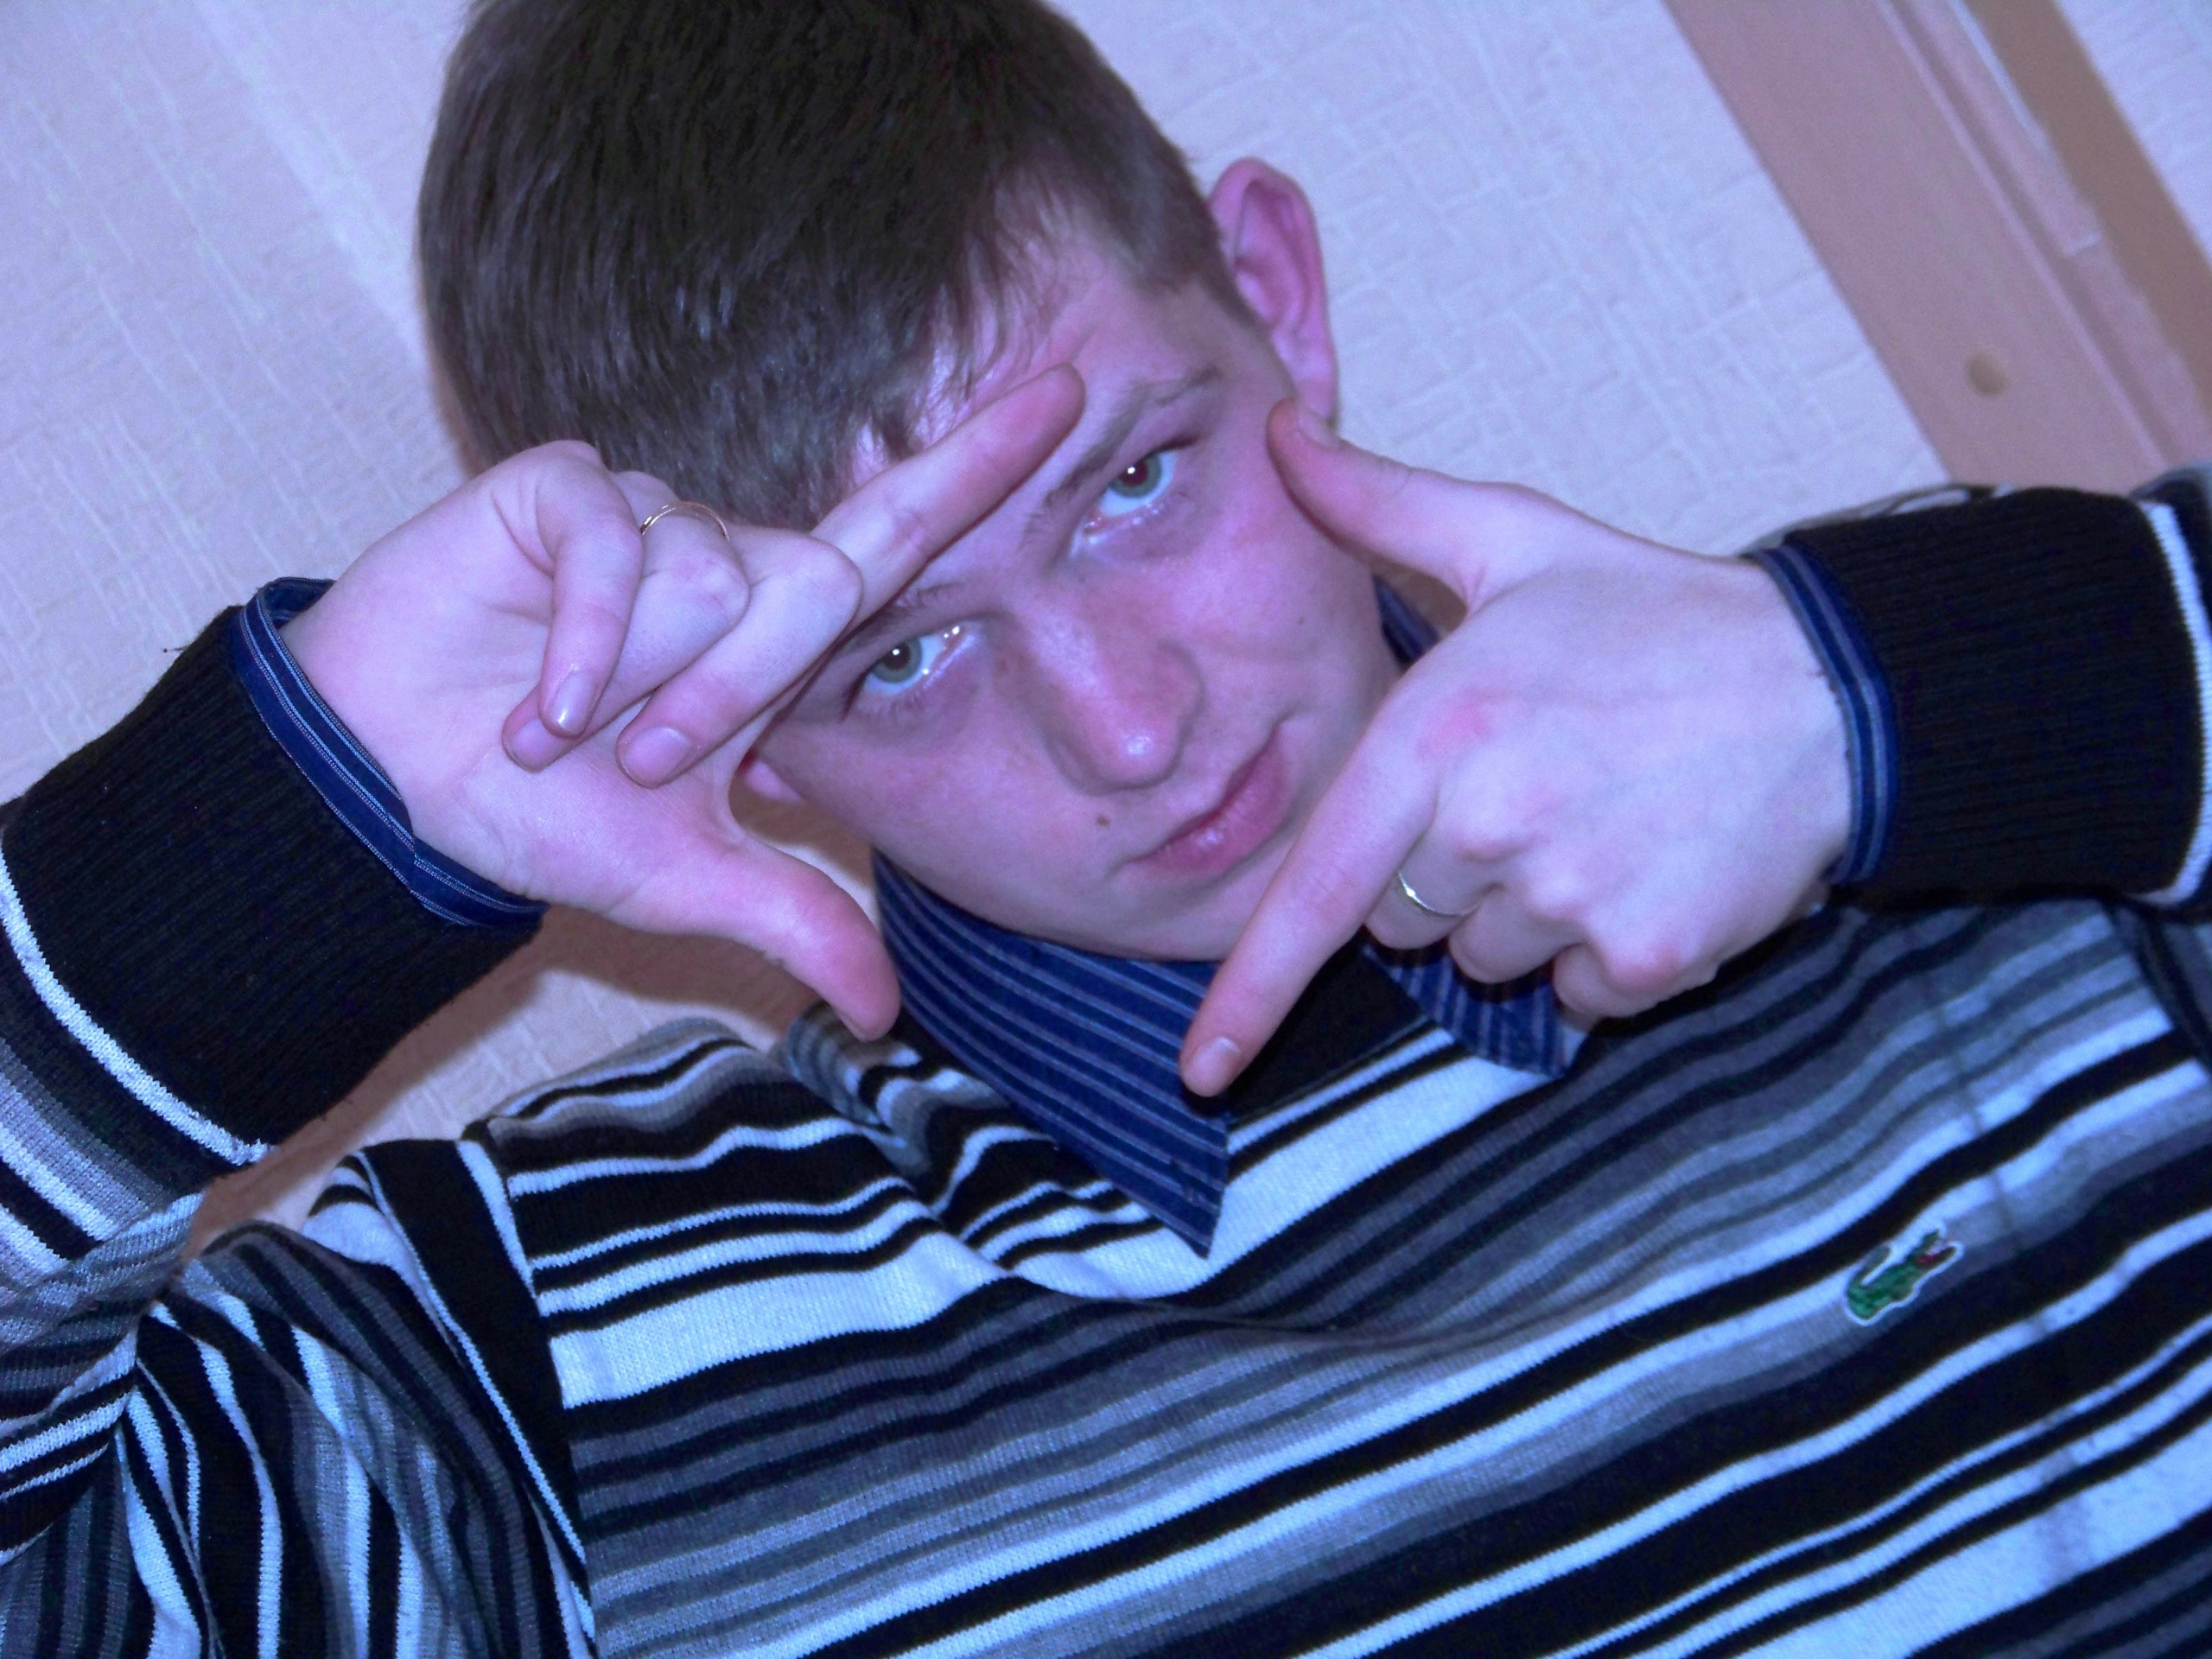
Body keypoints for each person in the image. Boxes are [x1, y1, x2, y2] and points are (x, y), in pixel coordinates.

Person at [3, 1, 2209, 1654]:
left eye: (1130, 482)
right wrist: (269, 841)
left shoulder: (1949, 794)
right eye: (895, 657)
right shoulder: (556, 1369)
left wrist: (1897, 691)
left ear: (1274, 295)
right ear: (729, 729)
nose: (1129, 729)